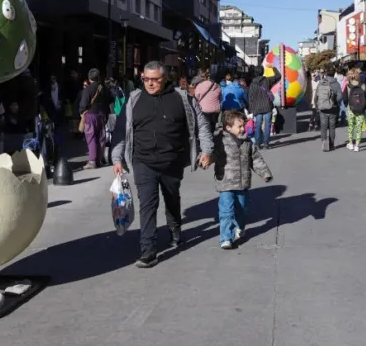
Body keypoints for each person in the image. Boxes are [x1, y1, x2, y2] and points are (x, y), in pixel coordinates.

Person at [111, 61, 214, 268]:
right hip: (143, 160)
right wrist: (117, 157)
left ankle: (175, 228)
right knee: (147, 203)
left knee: (171, 198)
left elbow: (201, 124)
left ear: (165, 78)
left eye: (155, 79)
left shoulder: (182, 98)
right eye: (146, 79)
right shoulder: (134, 100)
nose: (150, 83)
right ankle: (148, 251)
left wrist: (207, 150)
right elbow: (121, 130)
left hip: (172, 161)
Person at [213, 110, 273, 250]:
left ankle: (240, 227)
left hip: (242, 183)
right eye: (239, 126)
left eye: (243, 126)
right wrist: (205, 159)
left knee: (243, 209)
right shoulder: (219, 141)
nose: (242, 129)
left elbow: (256, 159)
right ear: (228, 127)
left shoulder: (247, 142)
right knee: (226, 211)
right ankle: (226, 238)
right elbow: (211, 154)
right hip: (226, 183)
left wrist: (264, 173)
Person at [79, 68, 111, 169]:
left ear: (89, 78)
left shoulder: (87, 89)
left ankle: (92, 161)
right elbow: (111, 99)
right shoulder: (104, 88)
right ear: (98, 77)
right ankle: (99, 160)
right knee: (101, 137)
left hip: (90, 115)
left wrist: (81, 112)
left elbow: (83, 104)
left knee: (91, 137)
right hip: (102, 115)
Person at [248, 67, 281, 149]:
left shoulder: (252, 84)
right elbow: (278, 76)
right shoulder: (267, 80)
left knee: (258, 126)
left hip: (257, 108)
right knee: (267, 125)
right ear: (263, 72)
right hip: (267, 106)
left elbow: (250, 98)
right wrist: (273, 67)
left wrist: (251, 110)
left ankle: (258, 143)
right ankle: (266, 143)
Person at [313, 66, 344, 152]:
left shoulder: (321, 83)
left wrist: (317, 106)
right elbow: (340, 97)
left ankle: (324, 143)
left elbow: (316, 96)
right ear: (334, 73)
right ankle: (331, 144)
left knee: (323, 127)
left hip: (322, 108)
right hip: (333, 109)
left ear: (326, 73)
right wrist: (334, 102)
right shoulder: (336, 84)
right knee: (332, 127)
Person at [344, 68, 366, 152]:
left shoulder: (348, 86)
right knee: (359, 128)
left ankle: (350, 143)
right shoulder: (363, 85)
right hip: (361, 109)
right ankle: (357, 146)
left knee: (351, 127)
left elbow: (345, 99)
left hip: (350, 109)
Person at [192, 69, 222, 134]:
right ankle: (212, 136)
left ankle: (208, 138)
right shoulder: (217, 86)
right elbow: (220, 97)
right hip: (215, 110)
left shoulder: (200, 85)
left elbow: (196, 97)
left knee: (205, 126)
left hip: (204, 110)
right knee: (212, 125)